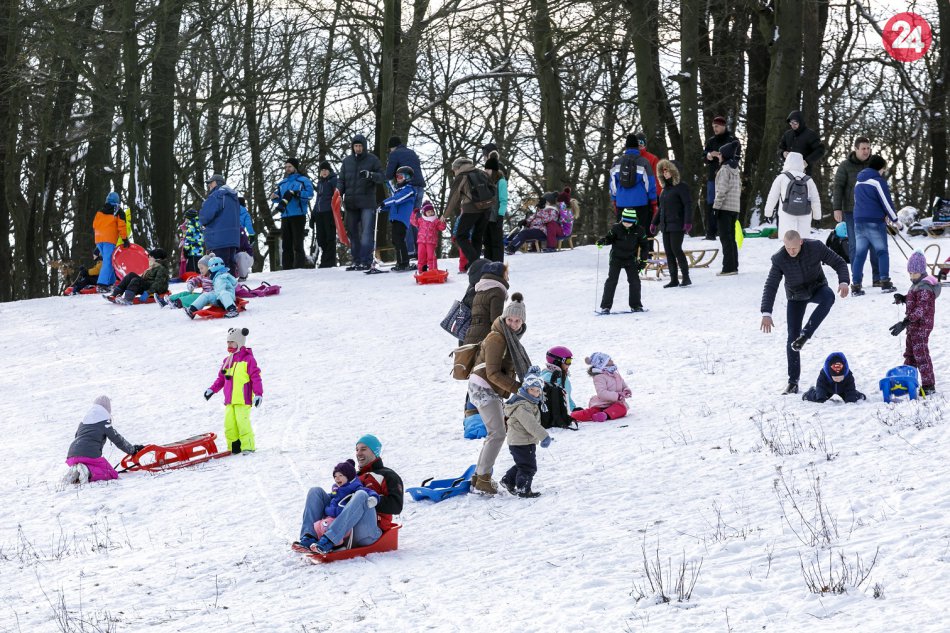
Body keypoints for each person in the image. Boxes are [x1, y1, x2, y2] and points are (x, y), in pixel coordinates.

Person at [760, 230, 850, 395]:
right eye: (788, 248)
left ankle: (806, 334)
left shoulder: (815, 247)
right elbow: (771, 285)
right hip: (796, 296)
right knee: (792, 338)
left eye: (794, 248)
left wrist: (843, 281)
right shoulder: (779, 258)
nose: (791, 251)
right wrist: (766, 312)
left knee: (829, 297)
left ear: (801, 242)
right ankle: (793, 382)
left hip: (817, 288)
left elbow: (839, 262)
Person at [294, 435, 404, 554]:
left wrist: (370, 500)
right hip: (346, 529)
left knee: (361, 494)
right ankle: (309, 537)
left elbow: (396, 505)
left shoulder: (387, 475)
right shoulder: (353, 476)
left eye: (363, 449)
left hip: (369, 531)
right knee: (315, 492)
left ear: (375, 451)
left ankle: (330, 539)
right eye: (357, 450)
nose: (358, 453)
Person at [468, 295, 533, 494]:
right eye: (510, 319)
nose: (513, 324)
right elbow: (493, 373)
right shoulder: (497, 338)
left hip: (489, 388)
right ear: (504, 318)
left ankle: (479, 476)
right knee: (497, 433)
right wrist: (519, 389)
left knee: (495, 433)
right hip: (483, 387)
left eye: (517, 320)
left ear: (523, 322)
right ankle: (483, 479)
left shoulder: (510, 337)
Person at [203, 327, 263, 454]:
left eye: (232, 342)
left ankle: (248, 446)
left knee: (242, 423)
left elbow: (256, 378)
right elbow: (221, 379)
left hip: (243, 399)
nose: (229, 345)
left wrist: (258, 394)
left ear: (239, 342)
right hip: (229, 401)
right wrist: (212, 390)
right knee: (229, 425)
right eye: (228, 342)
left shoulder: (248, 360)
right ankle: (234, 447)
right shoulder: (227, 361)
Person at [64, 396, 144, 484]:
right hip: (89, 456)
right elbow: (118, 440)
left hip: (72, 455)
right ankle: (88, 471)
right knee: (111, 473)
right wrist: (132, 450)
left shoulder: (83, 422)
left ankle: (77, 471)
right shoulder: (104, 423)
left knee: (89, 466)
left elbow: (77, 436)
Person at [891, 251, 940, 394]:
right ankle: (908, 381)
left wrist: (906, 321)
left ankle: (929, 385)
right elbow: (914, 299)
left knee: (921, 355)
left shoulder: (925, 288)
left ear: (922, 271)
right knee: (910, 355)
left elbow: (921, 309)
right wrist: (904, 298)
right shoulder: (917, 285)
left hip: (921, 327)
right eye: (910, 273)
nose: (912, 276)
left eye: (915, 273)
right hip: (913, 326)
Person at [851, 154, 900, 295]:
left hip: (859, 221)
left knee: (860, 254)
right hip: (874, 222)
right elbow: (886, 201)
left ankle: (856, 285)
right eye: (884, 168)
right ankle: (885, 282)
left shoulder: (858, 182)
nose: (884, 171)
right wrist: (895, 220)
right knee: (882, 251)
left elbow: (858, 201)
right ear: (880, 167)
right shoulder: (878, 181)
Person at [832, 137, 877, 285]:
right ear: (856, 149)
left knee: (875, 244)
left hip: (872, 211)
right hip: (852, 211)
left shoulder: (874, 164)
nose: (866, 151)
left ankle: (878, 278)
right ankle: (857, 280)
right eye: (863, 148)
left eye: (868, 148)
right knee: (855, 245)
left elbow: (881, 188)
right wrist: (837, 208)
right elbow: (838, 187)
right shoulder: (845, 166)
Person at [500, 371, 552, 498]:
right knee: (528, 467)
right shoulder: (522, 406)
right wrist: (544, 436)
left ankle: (508, 480)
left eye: (538, 390)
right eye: (532, 389)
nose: (535, 393)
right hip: (521, 442)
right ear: (525, 389)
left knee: (523, 464)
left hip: (521, 441)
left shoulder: (528, 402)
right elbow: (531, 424)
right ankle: (524, 489)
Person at [338, 135, 384, 271]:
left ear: (364, 146)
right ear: (352, 147)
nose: (357, 148)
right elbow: (341, 181)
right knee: (352, 232)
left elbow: (382, 177)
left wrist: (370, 175)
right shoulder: (347, 161)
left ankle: (366, 260)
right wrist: (338, 193)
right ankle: (356, 260)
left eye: (360, 146)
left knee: (366, 233)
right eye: (355, 146)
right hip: (351, 203)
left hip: (367, 203)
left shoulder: (372, 160)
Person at [596, 208, 650, 314]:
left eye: (629, 222)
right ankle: (605, 307)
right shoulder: (616, 228)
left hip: (630, 259)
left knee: (635, 281)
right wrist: (603, 241)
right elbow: (609, 238)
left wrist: (643, 261)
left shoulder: (639, 230)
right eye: (625, 221)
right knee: (611, 281)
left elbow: (645, 246)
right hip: (616, 258)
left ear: (634, 221)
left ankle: (636, 305)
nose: (627, 224)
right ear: (622, 219)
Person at [653, 159, 693, 288]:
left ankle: (686, 277)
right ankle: (674, 279)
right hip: (665, 226)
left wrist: (687, 222)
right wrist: (654, 223)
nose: (664, 173)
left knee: (676, 249)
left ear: (674, 171)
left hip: (677, 224)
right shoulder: (664, 190)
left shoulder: (682, 187)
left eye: (667, 170)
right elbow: (661, 209)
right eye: (663, 170)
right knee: (669, 252)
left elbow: (688, 205)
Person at [445, 156, 491, 267]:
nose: (454, 173)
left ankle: (475, 262)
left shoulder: (461, 176)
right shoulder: (481, 173)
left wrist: (445, 215)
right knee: (477, 236)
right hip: (487, 208)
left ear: (458, 168)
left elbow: (454, 197)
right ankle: (475, 265)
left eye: (454, 170)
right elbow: (492, 188)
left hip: (471, 209)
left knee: (460, 236)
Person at [763, 152, 822, 238]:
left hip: (786, 213)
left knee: (787, 240)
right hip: (804, 213)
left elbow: (772, 197)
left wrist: (768, 213)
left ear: (787, 162)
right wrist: (817, 217)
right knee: (803, 241)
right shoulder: (808, 180)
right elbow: (815, 200)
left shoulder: (782, 177)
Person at [386, 137, 426, 258]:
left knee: (406, 219)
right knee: (416, 219)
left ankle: (410, 251)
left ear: (392, 147)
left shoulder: (394, 154)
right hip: (420, 187)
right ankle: (421, 250)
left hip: (408, 188)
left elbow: (389, 174)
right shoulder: (411, 152)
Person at [270, 158, 313, 270]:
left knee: (298, 244)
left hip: (298, 215)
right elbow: (277, 197)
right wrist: (274, 197)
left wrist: (297, 193)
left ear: (295, 167)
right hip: (285, 216)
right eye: (286, 167)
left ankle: (299, 268)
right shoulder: (282, 183)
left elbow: (310, 195)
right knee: (286, 244)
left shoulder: (303, 180)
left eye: (289, 166)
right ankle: (287, 269)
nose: (287, 169)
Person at [702, 116, 740, 240]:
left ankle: (726, 230)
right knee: (711, 203)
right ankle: (711, 232)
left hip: (728, 174)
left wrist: (723, 157)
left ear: (723, 126)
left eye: (717, 126)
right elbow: (704, 155)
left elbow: (737, 157)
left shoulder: (732, 140)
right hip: (713, 176)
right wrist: (709, 155)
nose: (715, 129)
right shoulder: (711, 141)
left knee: (727, 203)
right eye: (713, 126)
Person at [610, 133, 657, 229]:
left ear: (626, 147)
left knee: (623, 232)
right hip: (641, 204)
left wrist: (615, 199)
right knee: (640, 232)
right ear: (637, 146)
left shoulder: (616, 162)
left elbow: (612, 185)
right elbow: (650, 184)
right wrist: (653, 200)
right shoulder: (644, 162)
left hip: (621, 204)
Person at [199, 174, 242, 275]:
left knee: (219, 266)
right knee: (230, 265)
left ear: (215, 183)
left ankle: (221, 284)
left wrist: (202, 218)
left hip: (219, 238)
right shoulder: (234, 198)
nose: (209, 185)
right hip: (233, 238)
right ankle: (231, 284)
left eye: (210, 183)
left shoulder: (216, 195)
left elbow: (205, 216)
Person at [570, 353, 631, 422]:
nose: (612, 361)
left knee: (622, 408)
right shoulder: (599, 377)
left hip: (616, 403)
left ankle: (604, 415)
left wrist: (626, 390)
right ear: (602, 364)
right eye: (609, 360)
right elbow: (601, 393)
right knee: (591, 412)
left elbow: (623, 384)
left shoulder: (615, 373)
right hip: (603, 404)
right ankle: (574, 415)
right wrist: (617, 396)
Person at [713, 140, 741, 276]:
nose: (718, 156)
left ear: (724, 155)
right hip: (734, 208)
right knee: (731, 238)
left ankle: (728, 267)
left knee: (725, 238)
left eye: (720, 154)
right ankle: (734, 265)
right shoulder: (736, 170)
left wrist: (716, 207)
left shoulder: (724, 170)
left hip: (724, 208)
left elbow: (721, 190)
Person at [463, 261, 509, 345]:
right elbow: (496, 321)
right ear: (500, 274)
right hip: (484, 337)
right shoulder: (497, 291)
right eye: (506, 274)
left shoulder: (480, 289)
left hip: (471, 335)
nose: (508, 278)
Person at [380, 166, 416, 272]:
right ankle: (401, 262)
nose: (398, 179)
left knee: (399, 239)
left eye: (401, 177)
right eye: (397, 177)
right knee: (395, 240)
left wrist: (384, 203)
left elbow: (397, 200)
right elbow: (393, 204)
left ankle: (404, 263)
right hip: (395, 218)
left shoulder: (409, 190)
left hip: (402, 219)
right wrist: (382, 207)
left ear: (407, 177)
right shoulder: (398, 190)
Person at [105, 248, 170, 305]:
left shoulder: (161, 269)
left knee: (136, 280)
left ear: (157, 259)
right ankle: (115, 294)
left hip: (154, 290)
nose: (149, 259)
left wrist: (148, 293)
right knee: (131, 275)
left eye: (150, 257)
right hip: (148, 286)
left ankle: (128, 299)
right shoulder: (153, 267)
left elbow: (158, 284)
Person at [94, 192, 129, 291]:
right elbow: (122, 226)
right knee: (108, 261)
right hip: (109, 239)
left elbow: (94, 224)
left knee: (110, 260)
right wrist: (125, 239)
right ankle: (102, 284)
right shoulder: (118, 211)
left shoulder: (100, 210)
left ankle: (111, 282)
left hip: (98, 238)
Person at [801, 352, 866, 403]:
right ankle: (810, 392)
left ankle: (858, 394)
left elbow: (850, 388)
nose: (838, 380)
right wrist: (820, 397)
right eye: (836, 378)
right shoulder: (824, 374)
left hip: (843, 389)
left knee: (851, 398)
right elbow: (821, 386)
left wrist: (851, 398)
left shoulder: (848, 375)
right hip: (828, 389)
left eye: (840, 378)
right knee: (818, 397)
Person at [777, 111, 825, 176]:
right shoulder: (787, 134)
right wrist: (783, 153)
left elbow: (820, 150)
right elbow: (780, 148)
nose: (793, 125)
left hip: (804, 172)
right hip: (788, 171)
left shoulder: (810, 134)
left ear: (800, 122)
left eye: (795, 123)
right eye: (791, 123)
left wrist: (807, 161)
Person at [481, 149, 509, 262]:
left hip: (496, 216)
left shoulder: (501, 182)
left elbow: (503, 200)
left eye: (488, 169)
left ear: (493, 169)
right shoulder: (485, 181)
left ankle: (498, 265)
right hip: (485, 216)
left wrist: (500, 215)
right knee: (487, 242)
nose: (486, 171)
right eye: (485, 169)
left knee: (496, 242)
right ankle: (488, 264)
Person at [312, 161, 338, 268]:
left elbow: (338, 195)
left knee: (329, 237)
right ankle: (324, 260)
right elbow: (318, 199)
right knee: (321, 238)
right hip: (319, 213)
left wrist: (337, 211)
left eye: (326, 170)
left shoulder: (333, 180)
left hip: (329, 212)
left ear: (329, 171)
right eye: (322, 170)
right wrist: (313, 214)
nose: (324, 172)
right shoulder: (320, 183)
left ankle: (330, 261)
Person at [409, 200, 446, 273]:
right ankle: (422, 271)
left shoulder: (436, 221)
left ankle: (433, 271)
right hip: (421, 242)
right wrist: (414, 213)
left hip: (431, 242)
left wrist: (443, 222)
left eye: (431, 211)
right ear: (424, 213)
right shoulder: (421, 220)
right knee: (421, 256)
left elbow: (442, 228)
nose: (430, 213)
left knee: (431, 257)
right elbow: (413, 222)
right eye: (428, 212)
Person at [540, 345, 578, 412]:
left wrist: (573, 409)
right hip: (554, 414)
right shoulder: (548, 377)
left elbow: (567, 397)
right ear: (557, 362)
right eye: (568, 361)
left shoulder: (563, 376)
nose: (569, 364)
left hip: (564, 412)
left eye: (570, 360)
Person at [180, 209, 204, 274]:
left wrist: (186, 250)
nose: (185, 220)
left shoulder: (191, 225)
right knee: (198, 269)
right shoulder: (199, 225)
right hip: (200, 251)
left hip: (193, 252)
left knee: (191, 270)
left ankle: (193, 279)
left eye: (186, 218)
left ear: (188, 218)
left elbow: (188, 239)